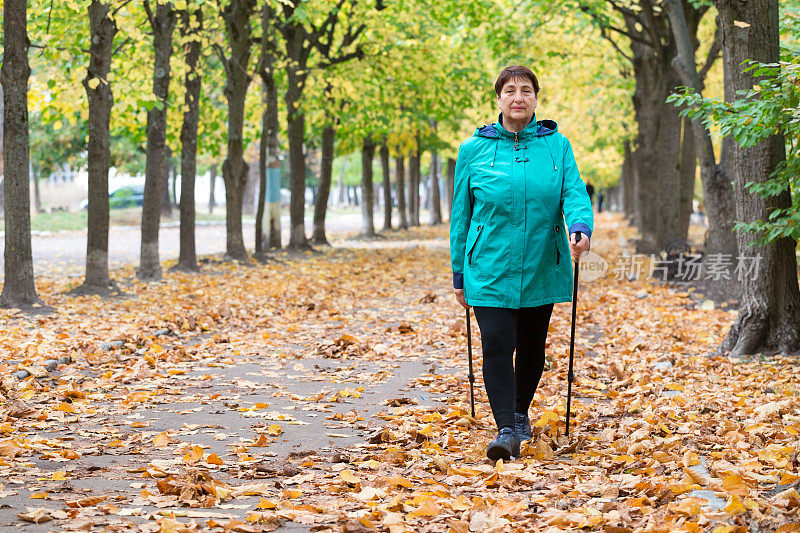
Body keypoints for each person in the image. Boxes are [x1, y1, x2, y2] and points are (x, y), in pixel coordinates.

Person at [449, 65, 594, 461]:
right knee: (497, 343)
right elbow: (461, 215)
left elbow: (574, 192)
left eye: (526, 90)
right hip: (489, 266)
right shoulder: (473, 150)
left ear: (535, 99)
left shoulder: (557, 146)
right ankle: (506, 429)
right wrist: (458, 271)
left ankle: (519, 411)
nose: (518, 97)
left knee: (532, 348)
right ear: (498, 99)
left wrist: (580, 225)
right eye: (510, 90)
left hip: (540, 263)